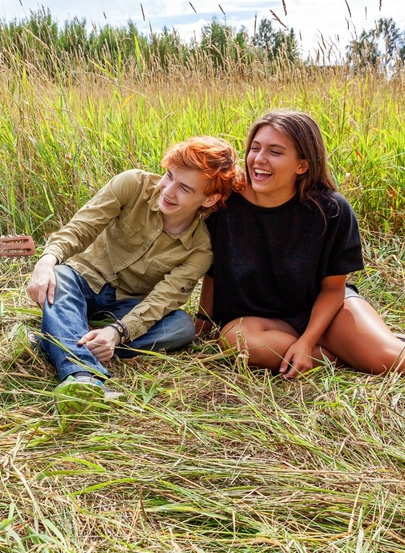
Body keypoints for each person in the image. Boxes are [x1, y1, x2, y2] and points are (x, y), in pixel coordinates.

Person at [26, 136, 245, 412]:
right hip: (84, 278)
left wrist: (117, 333)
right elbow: (80, 228)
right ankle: (84, 377)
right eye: (169, 176)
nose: (169, 190)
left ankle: (61, 337)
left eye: (185, 188)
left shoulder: (200, 250)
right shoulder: (133, 184)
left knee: (181, 327)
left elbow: (159, 302)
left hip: (126, 307)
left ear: (209, 198)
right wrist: (46, 261)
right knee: (61, 278)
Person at [197, 109, 405, 378]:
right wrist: (203, 320)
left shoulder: (331, 210)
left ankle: (358, 350)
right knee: (237, 342)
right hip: (257, 323)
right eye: (255, 148)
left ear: (302, 165)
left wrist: (307, 342)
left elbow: (333, 289)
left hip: (324, 312)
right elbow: (212, 272)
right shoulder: (225, 204)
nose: (259, 159)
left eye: (275, 152)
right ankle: (347, 355)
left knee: (392, 362)